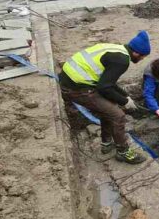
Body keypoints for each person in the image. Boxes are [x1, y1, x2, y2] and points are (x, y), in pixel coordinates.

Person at [59, 31, 151, 165]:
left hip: (73, 80)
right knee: (118, 115)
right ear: (137, 53)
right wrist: (124, 102)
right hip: (76, 88)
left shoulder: (118, 50)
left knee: (108, 109)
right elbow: (104, 87)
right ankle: (123, 152)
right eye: (143, 56)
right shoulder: (122, 61)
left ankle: (106, 143)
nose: (142, 59)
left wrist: (125, 95)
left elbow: (108, 82)